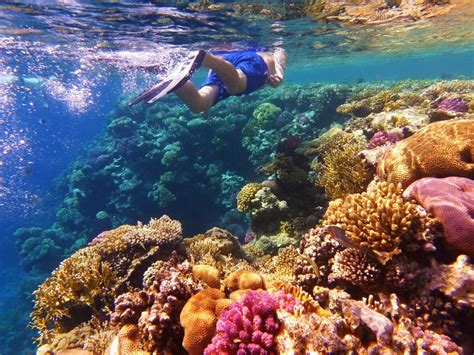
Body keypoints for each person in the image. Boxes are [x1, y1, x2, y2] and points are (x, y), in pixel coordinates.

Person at [130, 48, 287, 113]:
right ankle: (207, 60)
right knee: (236, 86)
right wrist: (280, 74)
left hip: (225, 65)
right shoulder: (266, 53)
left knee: (199, 105)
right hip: (250, 63)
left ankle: (172, 78)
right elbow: (280, 52)